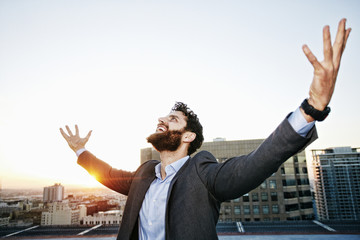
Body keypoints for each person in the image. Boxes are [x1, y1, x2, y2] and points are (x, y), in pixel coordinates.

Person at [60, 19, 351, 240]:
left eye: (172, 119)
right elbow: (107, 174)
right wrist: (80, 150)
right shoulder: (144, 173)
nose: (161, 120)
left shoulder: (204, 173)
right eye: (163, 116)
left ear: (188, 137)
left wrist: (311, 108)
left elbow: (257, 163)